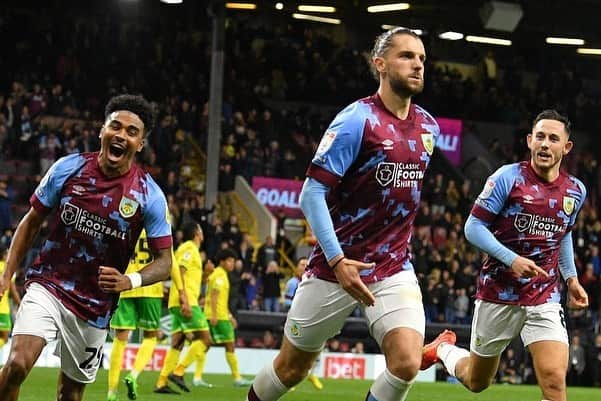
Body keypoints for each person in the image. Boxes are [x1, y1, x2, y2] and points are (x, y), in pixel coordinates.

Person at [247, 27, 439, 401]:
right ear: (379, 64)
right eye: (406, 56)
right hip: (335, 267)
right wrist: (337, 260)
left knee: (405, 363)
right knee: (291, 368)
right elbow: (312, 194)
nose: (417, 64)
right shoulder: (356, 120)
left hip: (393, 267)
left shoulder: (428, 128)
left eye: (421, 58)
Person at [0, 94, 173, 401]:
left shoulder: (150, 196)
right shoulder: (69, 168)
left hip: (95, 306)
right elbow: (30, 222)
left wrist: (129, 280)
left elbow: (165, 262)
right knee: (16, 364)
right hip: (49, 285)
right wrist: (8, 274)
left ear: (141, 144)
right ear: (102, 131)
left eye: (132, 132)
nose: (121, 135)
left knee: (70, 394)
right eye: (115, 126)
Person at [421, 110, 589, 401]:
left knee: (554, 384)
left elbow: (564, 233)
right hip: (499, 294)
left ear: (567, 147)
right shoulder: (508, 179)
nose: (545, 144)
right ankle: (443, 350)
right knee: (477, 381)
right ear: (529, 141)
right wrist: (512, 259)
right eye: (540, 137)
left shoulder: (575, 191)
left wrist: (571, 278)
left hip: (544, 296)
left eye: (553, 139)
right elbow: (473, 227)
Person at [106, 229, 184, 401]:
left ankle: (111, 392)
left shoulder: (126, 221)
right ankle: (133, 375)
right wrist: (181, 291)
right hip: (150, 285)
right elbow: (171, 261)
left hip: (125, 285)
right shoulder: (157, 225)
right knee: (151, 336)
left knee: (120, 338)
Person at [154, 222, 212, 393]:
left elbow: (191, 278)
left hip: (181, 300)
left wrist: (206, 274)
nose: (202, 233)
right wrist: (184, 300)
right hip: (186, 301)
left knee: (177, 343)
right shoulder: (189, 248)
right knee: (206, 340)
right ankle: (179, 372)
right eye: (200, 230)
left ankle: (161, 382)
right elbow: (180, 271)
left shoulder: (192, 251)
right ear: (196, 234)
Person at [207, 248, 253, 387]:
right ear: (222, 262)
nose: (232, 264)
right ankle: (237, 378)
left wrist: (230, 315)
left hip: (220, 314)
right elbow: (215, 296)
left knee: (204, 345)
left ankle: (185, 372)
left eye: (233, 261)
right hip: (219, 317)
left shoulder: (220, 274)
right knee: (230, 345)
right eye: (229, 261)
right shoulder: (220, 275)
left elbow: (218, 298)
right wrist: (216, 315)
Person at [0, 246, 20, 356]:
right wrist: (20, 304)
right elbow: (13, 290)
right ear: (3, 255)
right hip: (2, 310)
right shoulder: (7, 269)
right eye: (7, 253)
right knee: (4, 336)